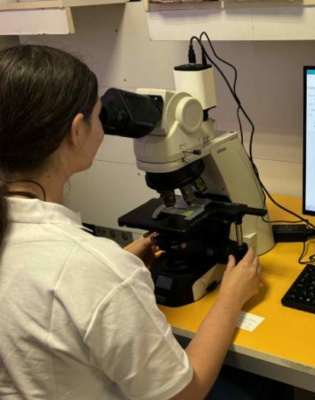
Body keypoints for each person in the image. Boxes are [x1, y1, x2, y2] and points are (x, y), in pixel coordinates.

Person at [0, 44, 264, 399]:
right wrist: (232, 298)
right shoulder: (95, 272)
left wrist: (114, 269)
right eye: (99, 115)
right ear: (77, 131)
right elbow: (185, 394)